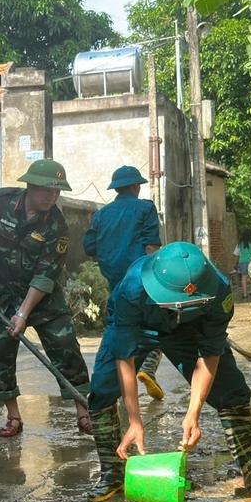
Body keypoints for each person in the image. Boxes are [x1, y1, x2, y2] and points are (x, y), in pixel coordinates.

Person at [96, 242, 251, 498]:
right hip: (141, 327)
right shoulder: (132, 288)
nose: (179, 307)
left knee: (232, 391)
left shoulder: (220, 291)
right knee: (101, 392)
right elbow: (124, 357)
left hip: (190, 331)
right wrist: (135, 420)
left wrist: (194, 412)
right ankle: (113, 472)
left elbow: (210, 353)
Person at [0, 159, 92, 438]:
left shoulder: (57, 225)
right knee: (0, 355)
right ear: (30, 186)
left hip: (42, 299)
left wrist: (24, 314)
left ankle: (84, 412)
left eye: (58, 192)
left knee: (65, 347)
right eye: (47, 190)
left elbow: (44, 275)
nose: (53, 197)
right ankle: (13, 417)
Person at [82, 164, 164, 402]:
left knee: (118, 328)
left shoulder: (101, 214)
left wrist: (111, 255)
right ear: (134, 186)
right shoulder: (145, 208)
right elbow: (151, 247)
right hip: (141, 280)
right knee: (156, 325)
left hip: (115, 282)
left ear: (117, 188)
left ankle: (108, 385)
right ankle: (147, 366)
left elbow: (89, 248)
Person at [234, 229, 251, 298]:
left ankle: (245, 294)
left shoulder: (240, 244)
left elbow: (236, 254)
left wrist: (235, 263)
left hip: (243, 262)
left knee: (243, 278)